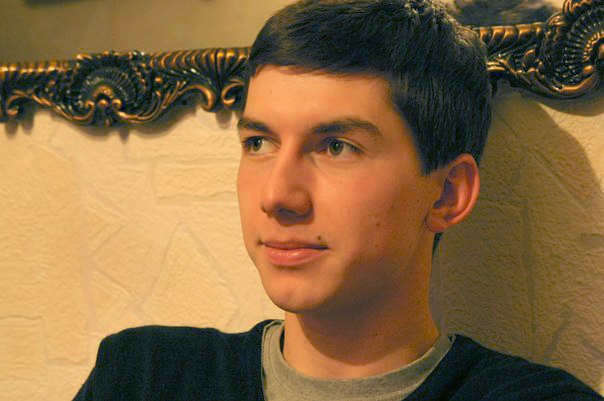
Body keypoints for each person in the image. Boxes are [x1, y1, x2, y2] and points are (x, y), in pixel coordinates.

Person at [73, 0, 603, 400]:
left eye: (336, 147)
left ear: (446, 193)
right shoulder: (143, 375)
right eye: (258, 143)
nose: (277, 196)